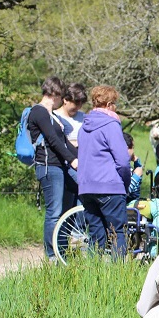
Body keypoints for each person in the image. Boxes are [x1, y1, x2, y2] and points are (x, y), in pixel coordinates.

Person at [76, 85, 130, 258]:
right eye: (114, 104)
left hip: (86, 188)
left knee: (96, 234)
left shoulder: (83, 127)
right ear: (108, 105)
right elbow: (123, 161)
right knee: (118, 233)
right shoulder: (111, 125)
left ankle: (93, 270)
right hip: (109, 186)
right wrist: (124, 184)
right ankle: (118, 271)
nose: (115, 108)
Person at [29, 76, 79, 260]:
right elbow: (53, 140)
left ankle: (62, 249)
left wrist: (82, 159)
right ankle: (52, 255)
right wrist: (72, 160)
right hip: (49, 167)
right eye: (61, 95)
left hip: (61, 166)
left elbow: (65, 142)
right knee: (54, 212)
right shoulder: (38, 112)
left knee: (71, 204)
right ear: (54, 93)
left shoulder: (53, 116)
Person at [54, 83, 88, 149]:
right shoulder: (54, 117)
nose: (79, 107)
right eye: (76, 103)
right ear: (65, 100)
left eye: (81, 104)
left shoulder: (84, 117)